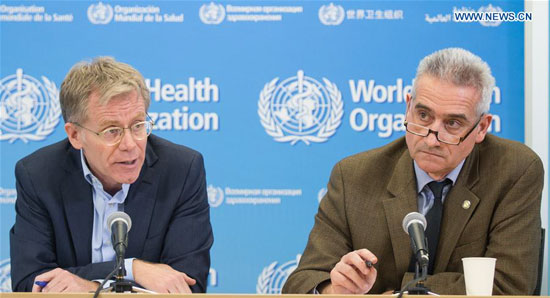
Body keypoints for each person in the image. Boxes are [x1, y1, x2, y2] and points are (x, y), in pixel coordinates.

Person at [282, 48, 543, 295]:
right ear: (408, 106)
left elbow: (510, 284)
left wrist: (400, 294)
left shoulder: (514, 170)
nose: (432, 139)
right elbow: (303, 282)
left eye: (452, 123)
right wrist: (335, 289)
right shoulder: (353, 176)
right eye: (423, 116)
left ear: (482, 127)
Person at [10, 57, 213, 293]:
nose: (130, 144)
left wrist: (86, 285)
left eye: (138, 125)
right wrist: (134, 269)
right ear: (75, 135)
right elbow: (30, 282)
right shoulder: (38, 175)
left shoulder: (181, 170)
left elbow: (188, 285)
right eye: (111, 131)